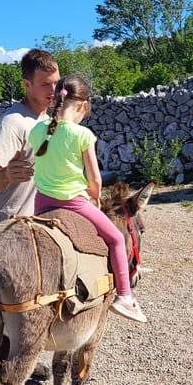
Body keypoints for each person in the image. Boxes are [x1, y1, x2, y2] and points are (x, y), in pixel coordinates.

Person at [0, 48, 60, 385]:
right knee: (7, 311)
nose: (54, 91)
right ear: (27, 84)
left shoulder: (50, 119)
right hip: (10, 229)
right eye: (45, 85)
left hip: (36, 227)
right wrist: (8, 174)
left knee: (33, 305)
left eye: (56, 84)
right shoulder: (14, 123)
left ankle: (24, 360)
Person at [27, 75, 147, 324]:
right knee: (116, 239)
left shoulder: (38, 130)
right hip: (73, 202)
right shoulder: (82, 134)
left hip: (41, 202)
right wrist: (94, 196)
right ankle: (125, 296)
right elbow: (95, 180)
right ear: (82, 105)